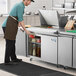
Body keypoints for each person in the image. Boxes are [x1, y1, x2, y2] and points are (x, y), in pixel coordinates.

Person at [2, 0, 34, 65]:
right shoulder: (20, 6)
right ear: (26, 0)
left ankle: (13, 58)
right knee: (9, 43)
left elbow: (18, 18)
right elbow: (20, 19)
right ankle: (7, 61)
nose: (30, 3)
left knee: (12, 42)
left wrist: (20, 25)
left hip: (12, 24)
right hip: (8, 25)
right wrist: (26, 30)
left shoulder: (21, 5)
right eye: (30, 1)